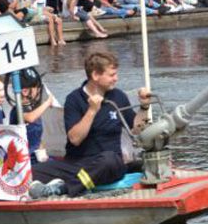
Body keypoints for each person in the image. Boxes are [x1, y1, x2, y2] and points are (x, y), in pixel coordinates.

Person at [29, 51, 150, 198]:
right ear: (95, 75)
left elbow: (136, 130)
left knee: (109, 159)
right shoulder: (74, 99)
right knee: (32, 171)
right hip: (77, 165)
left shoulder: (118, 96)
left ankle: (63, 189)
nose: (116, 79)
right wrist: (92, 111)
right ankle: (75, 181)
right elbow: (75, 139)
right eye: (111, 75)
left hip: (109, 163)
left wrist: (144, 107)